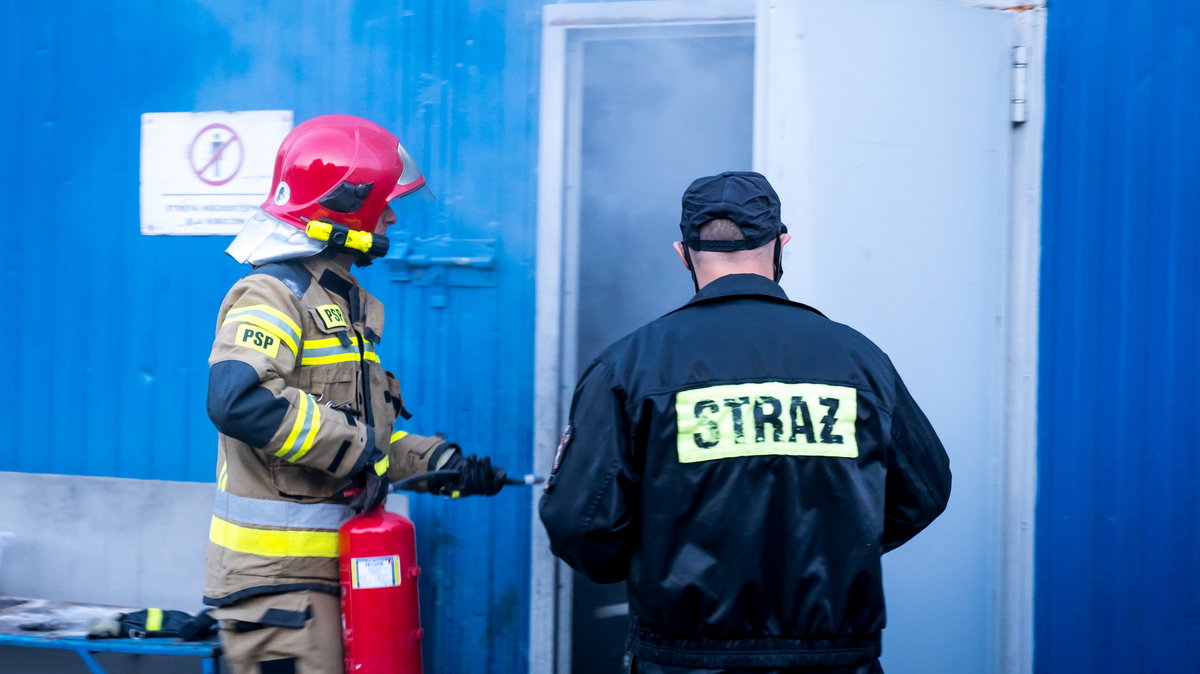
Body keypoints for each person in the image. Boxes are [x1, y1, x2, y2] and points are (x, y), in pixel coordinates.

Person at [539, 171, 951, 674]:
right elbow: (925, 492)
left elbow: (581, 526)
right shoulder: (857, 360)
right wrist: (839, 542)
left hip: (685, 661)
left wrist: (664, 557)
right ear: (781, 245)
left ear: (683, 253)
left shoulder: (630, 366)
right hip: (834, 661)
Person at [203, 114, 507, 674]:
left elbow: (353, 434)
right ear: (348, 204)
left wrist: (436, 463)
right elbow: (237, 400)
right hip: (279, 594)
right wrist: (361, 453)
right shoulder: (272, 293)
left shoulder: (340, 306)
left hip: (325, 579)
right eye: (384, 201)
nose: (391, 215)